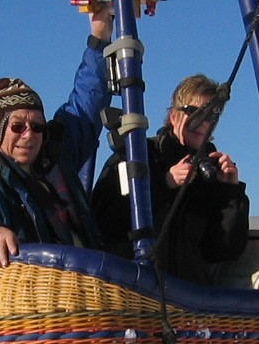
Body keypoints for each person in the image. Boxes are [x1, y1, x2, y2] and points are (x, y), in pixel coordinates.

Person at [0, 8, 112, 267]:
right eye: (18, 127)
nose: (29, 135)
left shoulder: (56, 153)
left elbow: (87, 102)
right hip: (25, 290)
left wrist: (99, 37)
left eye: (37, 127)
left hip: (80, 282)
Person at [92, 73, 250, 284]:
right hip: (135, 292)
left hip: (188, 300)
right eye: (195, 113)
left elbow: (223, 250)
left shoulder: (211, 177)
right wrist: (164, 183)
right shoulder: (136, 154)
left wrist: (231, 192)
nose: (203, 123)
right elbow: (103, 220)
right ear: (173, 116)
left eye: (211, 116)